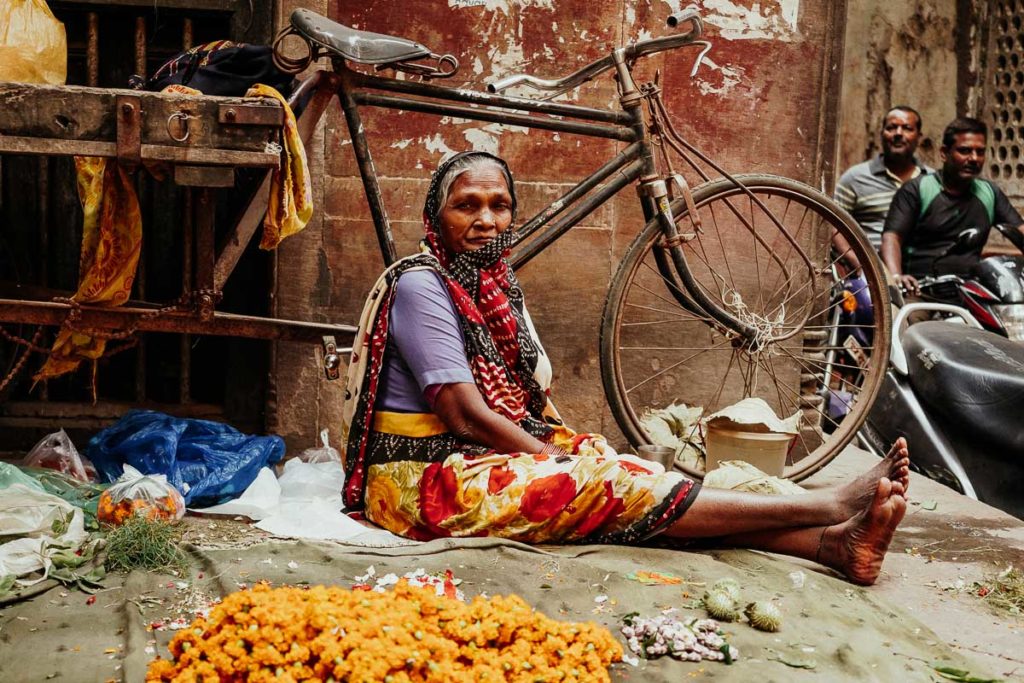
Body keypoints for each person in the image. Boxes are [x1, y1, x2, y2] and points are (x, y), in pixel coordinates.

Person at [342, 151, 910, 586]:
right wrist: (548, 458)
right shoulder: (421, 284)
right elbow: (463, 414)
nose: (487, 219)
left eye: (500, 205)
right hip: (421, 482)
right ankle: (826, 506)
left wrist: (557, 453)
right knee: (606, 483)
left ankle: (833, 548)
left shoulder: (492, 286)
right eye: (467, 205)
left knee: (623, 475)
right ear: (434, 217)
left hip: (473, 460)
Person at [882, 117, 1024, 296]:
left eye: (980, 152)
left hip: (970, 292)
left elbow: (1019, 231)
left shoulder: (989, 193)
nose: (973, 158)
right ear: (944, 153)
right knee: (909, 323)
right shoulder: (918, 189)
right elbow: (891, 238)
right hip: (920, 291)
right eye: (964, 151)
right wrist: (896, 276)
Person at [835, 106, 931, 252]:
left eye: (907, 128)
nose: (898, 133)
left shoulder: (931, 180)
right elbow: (834, 226)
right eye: (891, 128)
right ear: (881, 134)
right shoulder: (855, 178)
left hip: (918, 268)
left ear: (919, 136)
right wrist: (860, 267)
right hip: (870, 268)